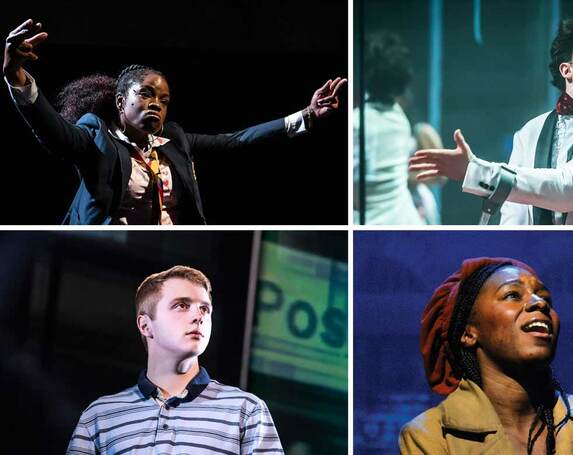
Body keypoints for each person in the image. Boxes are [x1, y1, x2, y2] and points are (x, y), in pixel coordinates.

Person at [4, 18, 346, 224]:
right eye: (148, 94)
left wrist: (307, 115)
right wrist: (16, 74)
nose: (156, 104)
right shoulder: (97, 134)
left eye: (164, 100)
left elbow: (236, 140)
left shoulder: (174, 139)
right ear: (122, 101)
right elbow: (53, 131)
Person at [409, 11, 573, 225]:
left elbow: (568, 189)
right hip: (541, 268)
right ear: (566, 69)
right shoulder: (531, 131)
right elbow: (515, 216)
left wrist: (477, 171)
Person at [400, 257, 573, 454]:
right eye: (512, 295)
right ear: (469, 333)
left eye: (545, 298)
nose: (539, 303)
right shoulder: (431, 435)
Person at [66, 265, 283, 454]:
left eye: (204, 308)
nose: (199, 316)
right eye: (182, 305)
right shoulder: (100, 416)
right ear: (145, 325)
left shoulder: (246, 411)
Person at [354, 32, 426, 225]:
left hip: (371, 226)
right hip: (405, 221)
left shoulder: (357, 123)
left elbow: (354, 196)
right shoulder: (399, 118)